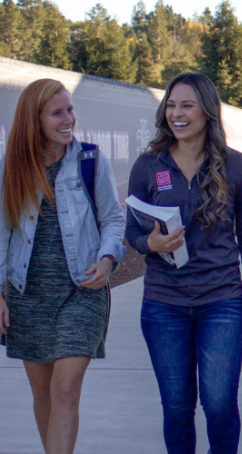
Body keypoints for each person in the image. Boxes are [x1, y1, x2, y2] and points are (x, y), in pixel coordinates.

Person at [125, 73, 242, 454]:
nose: (176, 113)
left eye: (186, 105)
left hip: (222, 302)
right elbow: (131, 233)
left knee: (219, 405)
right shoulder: (148, 166)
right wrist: (149, 242)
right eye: (171, 105)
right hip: (163, 304)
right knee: (176, 408)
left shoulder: (238, 167)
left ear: (207, 111)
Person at [0, 78, 125, 454]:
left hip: (82, 290)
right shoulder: (12, 167)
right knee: (43, 394)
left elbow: (114, 219)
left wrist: (107, 258)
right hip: (28, 295)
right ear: (33, 120)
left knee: (65, 389)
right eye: (57, 113)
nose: (68, 119)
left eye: (69, 110)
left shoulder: (91, 159)